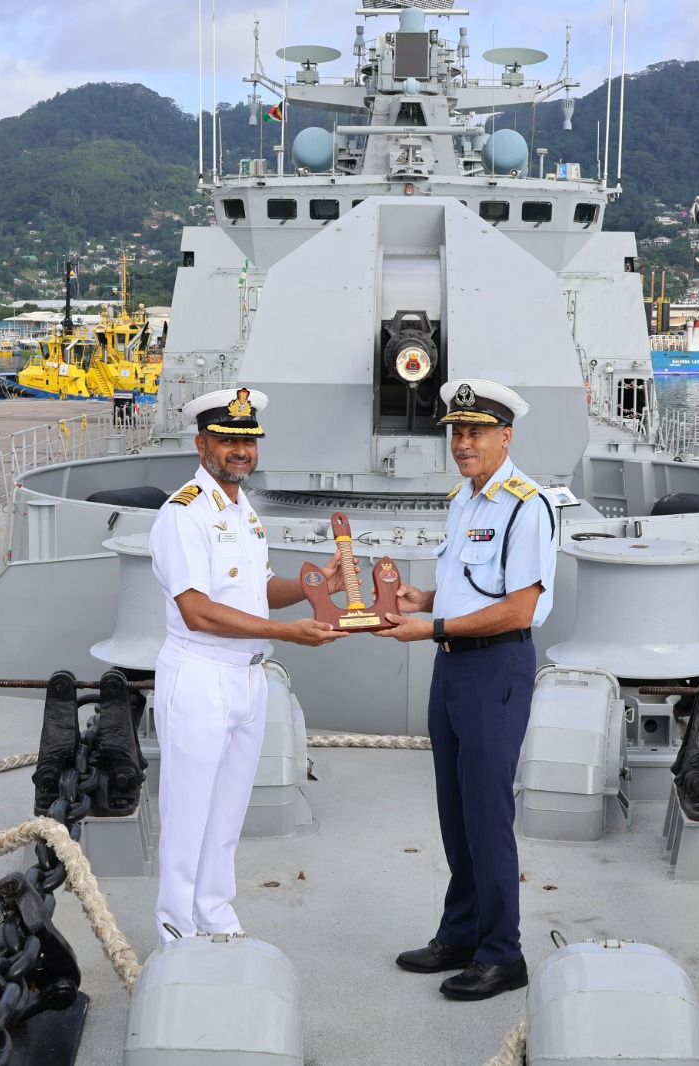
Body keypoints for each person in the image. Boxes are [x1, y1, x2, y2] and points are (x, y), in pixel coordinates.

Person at [147, 386, 347, 940]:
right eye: (229, 440)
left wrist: (313, 587)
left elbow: (256, 588)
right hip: (200, 675)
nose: (241, 451)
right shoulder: (183, 514)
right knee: (188, 818)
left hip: (247, 679)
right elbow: (197, 611)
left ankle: (216, 916)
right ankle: (176, 934)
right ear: (202, 443)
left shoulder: (242, 508)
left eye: (248, 441)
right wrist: (286, 633)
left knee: (228, 815)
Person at [381, 378, 558, 1000]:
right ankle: (460, 934)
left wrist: (430, 624)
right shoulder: (465, 500)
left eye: (475, 431)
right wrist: (425, 600)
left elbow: (519, 609)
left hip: (494, 670)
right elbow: (474, 589)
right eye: (456, 432)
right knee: (455, 813)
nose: (462, 442)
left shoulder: (524, 505)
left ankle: (502, 954)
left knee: (487, 815)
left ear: (505, 436)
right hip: (452, 663)